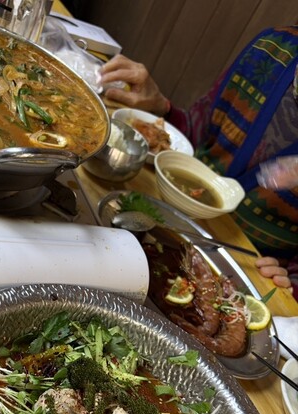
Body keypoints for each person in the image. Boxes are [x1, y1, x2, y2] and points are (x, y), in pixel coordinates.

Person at [99, 27, 298, 299]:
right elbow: (196, 134)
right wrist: (160, 108)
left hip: (245, 272)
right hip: (163, 214)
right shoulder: (273, 49)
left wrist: (293, 282)